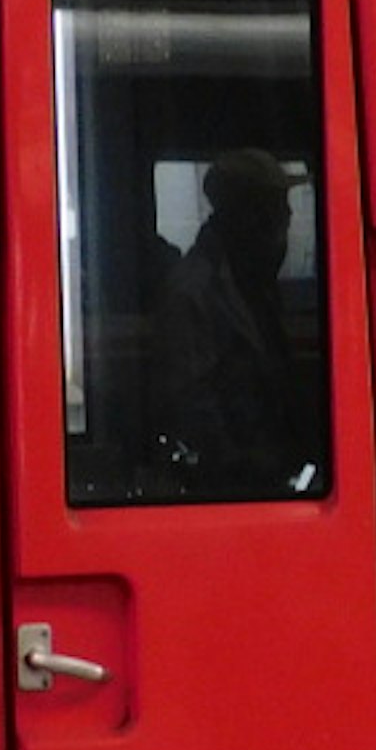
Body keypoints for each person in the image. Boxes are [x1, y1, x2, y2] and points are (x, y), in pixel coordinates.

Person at [156, 147, 311, 493]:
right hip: (232, 488)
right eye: (275, 206)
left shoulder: (253, 284)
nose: (286, 216)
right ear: (248, 215)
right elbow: (195, 408)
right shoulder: (193, 291)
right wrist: (248, 470)